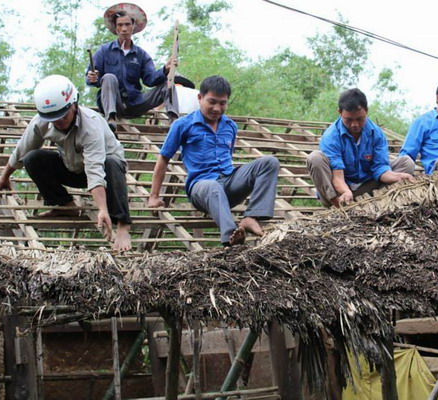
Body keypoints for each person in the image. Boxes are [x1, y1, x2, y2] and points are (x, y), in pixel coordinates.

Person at [0, 75, 132, 252]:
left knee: (112, 162)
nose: (59, 122)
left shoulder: (90, 125)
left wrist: (103, 210)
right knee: (33, 158)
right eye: (54, 118)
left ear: (74, 104)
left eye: (63, 116)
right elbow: (21, 151)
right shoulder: (42, 121)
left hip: (107, 172)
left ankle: (123, 226)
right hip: (72, 167)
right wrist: (5, 176)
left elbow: (95, 170)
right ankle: (66, 206)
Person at [148, 75, 280, 246]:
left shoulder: (230, 126)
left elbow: (228, 155)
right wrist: (154, 196)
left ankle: (251, 217)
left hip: (228, 181)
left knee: (269, 162)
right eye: (212, 102)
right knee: (213, 187)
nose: (217, 108)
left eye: (222, 103)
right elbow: (163, 159)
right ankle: (231, 235)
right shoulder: (183, 125)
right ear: (200, 98)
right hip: (202, 187)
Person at [306, 88, 415, 208]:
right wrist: (345, 192)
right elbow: (337, 177)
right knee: (315, 158)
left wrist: (398, 176)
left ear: (366, 111)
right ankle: (339, 208)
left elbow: (381, 168)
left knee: (407, 162)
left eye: (359, 119)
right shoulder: (331, 136)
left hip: (367, 187)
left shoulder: (376, 133)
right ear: (340, 112)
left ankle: (379, 204)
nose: (355, 125)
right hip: (340, 191)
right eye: (349, 120)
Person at [85, 3, 179, 133]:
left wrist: (165, 69)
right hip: (113, 104)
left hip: (135, 103)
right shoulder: (104, 51)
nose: (124, 28)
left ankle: (175, 121)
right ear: (116, 29)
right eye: (120, 25)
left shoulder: (141, 54)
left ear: (133, 27)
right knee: (108, 77)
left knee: (167, 85)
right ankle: (111, 120)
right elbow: (91, 77)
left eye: (127, 24)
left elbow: (150, 79)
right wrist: (92, 77)